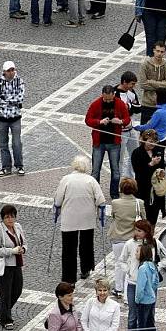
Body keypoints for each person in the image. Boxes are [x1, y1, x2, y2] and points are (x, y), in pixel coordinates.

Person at [117, 219, 166, 331]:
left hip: (149, 286)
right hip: (133, 284)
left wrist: (156, 268)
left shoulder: (154, 243)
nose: (136, 232)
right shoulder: (129, 244)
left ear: (146, 232)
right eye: (135, 229)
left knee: (148, 316)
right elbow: (121, 260)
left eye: (139, 230)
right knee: (133, 315)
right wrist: (129, 270)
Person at [54, 155, 106, 283]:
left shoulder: (66, 179)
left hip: (69, 219)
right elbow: (100, 200)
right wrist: (100, 213)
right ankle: (86, 268)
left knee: (68, 248)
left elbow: (58, 200)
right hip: (87, 218)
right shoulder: (91, 180)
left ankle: (68, 276)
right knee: (86, 244)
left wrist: (57, 210)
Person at [85, 85, 131, 199]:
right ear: (102, 95)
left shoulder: (119, 103)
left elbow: (127, 119)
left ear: (113, 95)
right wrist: (99, 122)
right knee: (95, 170)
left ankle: (114, 194)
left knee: (115, 171)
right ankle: (95, 193)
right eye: (106, 99)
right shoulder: (96, 104)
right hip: (99, 142)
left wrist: (120, 121)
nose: (108, 101)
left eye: (110, 99)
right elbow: (88, 120)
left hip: (114, 143)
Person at [0, 205, 28, 329]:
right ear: (3, 219)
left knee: (17, 290)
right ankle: (6, 319)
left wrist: (23, 249)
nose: (10, 219)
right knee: (6, 293)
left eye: (12, 216)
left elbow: (24, 242)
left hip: (17, 264)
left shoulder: (18, 227)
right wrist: (12, 251)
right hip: (5, 266)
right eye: (7, 217)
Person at [109, 178, 146, 298]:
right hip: (133, 239)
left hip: (118, 237)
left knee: (119, 263)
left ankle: (118, 288)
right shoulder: (139, 203)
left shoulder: (115, 203)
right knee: (132, 264)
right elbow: (144, 219)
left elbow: (113, 215)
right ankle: (128, 289)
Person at [0, 61, 25, 177]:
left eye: (13, 70)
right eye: (9, 70)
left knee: (16, 143)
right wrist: (11, 101)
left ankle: (19, 166)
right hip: (1, 118)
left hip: (15, 117)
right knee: (3, 144)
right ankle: (6, 167)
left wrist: (5, 100)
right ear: (4, 71)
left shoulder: (19, 81)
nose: (11, 72)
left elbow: (20, 99)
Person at [133, 242, 162, 331]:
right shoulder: (152, 265)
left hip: (144, 302)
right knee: (150, 327)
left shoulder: (142, 268)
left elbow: (140, 288)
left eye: (138, 251)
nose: (136, 253)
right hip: (151, 299)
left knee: (141, 327)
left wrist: (137, 300)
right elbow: (156, 282)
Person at [131, 129, 166, 225]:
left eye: (155, 141)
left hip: (155, 189)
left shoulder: (158, 151)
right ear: (144, 140)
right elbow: (138, 171)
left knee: (153, 217)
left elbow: (162, 166)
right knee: (142, 217)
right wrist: (151, 164)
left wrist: (161, 171)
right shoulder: (137, 153)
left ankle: (150, 236)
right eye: (150, 141)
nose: (153, 144)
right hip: (142, 189)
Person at [137, 41, 166, 124]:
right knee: (145, 133)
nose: (159, 54)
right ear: (153, 50)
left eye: (162, 52)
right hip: (147, 104)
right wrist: (161, 84)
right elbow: (143, 84)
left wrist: (151, 82)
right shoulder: (145, 64)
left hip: (162, 105)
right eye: (157, 51)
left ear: (164, 52)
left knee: (160, 132)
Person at [113, 72, 141, 179]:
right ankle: (118, 180)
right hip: (120, 132)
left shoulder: (131, 92)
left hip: (131, 128)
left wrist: (128, 106)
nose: (133, 87)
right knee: (119, 158)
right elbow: (119, 112)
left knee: (134, 155)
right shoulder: (115, 93)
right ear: (124, 82)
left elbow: (138, 108)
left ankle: (132, 178)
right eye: (132, 84)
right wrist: (130, 107)